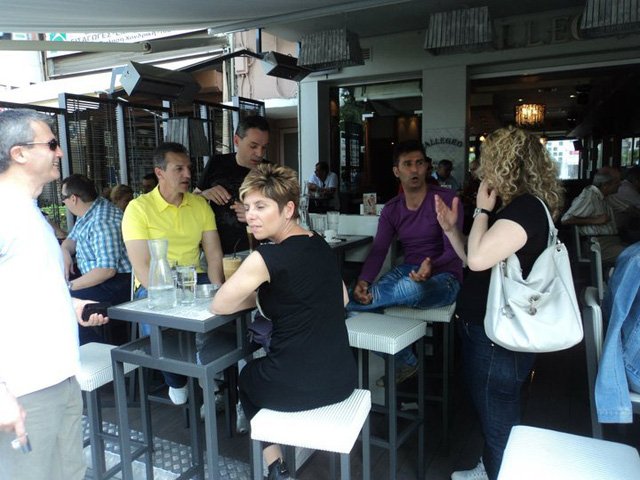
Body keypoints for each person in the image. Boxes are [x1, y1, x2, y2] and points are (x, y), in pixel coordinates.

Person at [211, 164, 357, 480]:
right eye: (248, 206)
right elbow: (343, 298)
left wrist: (260, 296)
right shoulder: (319, 243)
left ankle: (276, 467)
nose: (251, 215)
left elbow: (220, 303)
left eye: (261, 206)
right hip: (344, 377)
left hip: (297, 386)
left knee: (247, 377)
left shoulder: (265, 258)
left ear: (288, 209)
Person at [434, 126, 564, 480]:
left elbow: (477, 260)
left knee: (498, 414)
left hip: (498, 337)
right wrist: (451, 229)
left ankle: (499, 472)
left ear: (505, 163)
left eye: (486, 160)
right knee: (493, 409)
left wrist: (480, 209)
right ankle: (492, 466)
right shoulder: (515, 208)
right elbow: (473, 259)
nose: (480, 170)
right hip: (490, 330)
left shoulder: (525, 210)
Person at [0, 108, 108, 480]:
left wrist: (70, 305)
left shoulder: (28, 213)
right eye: (51, 144)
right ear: (19, 153)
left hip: (60, 378)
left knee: (69, 472)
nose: (60, 152)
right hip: (24, 390)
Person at [348, 140, 463, 384]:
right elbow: (379, 250)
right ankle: (406, 360)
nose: (414, 170)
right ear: (396, 171)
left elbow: (454, 251)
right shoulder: (392, 209)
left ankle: (348, 302)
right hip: (408, 272)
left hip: (445, 277)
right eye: (407, 164)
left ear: (427, 167)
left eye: (419, 163)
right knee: (354, 311)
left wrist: (431, 265)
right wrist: (364, 281)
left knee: (406, 289)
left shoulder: (445, 199)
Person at [122, 142, 225, 404]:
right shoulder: (138, 208)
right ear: (160, 173)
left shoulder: (199, 205)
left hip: (195, 278)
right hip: (155, 283)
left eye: (188, 168)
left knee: (224, 314)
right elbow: (142, 266)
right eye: (179, 169)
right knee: (162, 321)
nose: (188, 174)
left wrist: (219, 292)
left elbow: (214, 255)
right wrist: (171, 297)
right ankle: (177, 379)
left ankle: (205, 365)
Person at [60, 174, 132, 344]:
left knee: (63, 302)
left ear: (73, 199)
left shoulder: (102, 221)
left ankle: (93, 351)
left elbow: (106, 270)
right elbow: (71, 241)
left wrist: (66, 287)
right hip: (100, 280)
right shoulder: (88, 211)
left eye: (63, 199)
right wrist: (64, 251)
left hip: (118, 283)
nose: (63, 202)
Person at [195, 115, 270, 254]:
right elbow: (192, 200)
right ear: (236, 140)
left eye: (264, 147)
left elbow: (285, 217)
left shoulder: (271, 172)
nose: (259, 153)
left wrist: (254, 215)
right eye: (253, 146)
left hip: (259, 251)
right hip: (216, 251)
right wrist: (205, 194)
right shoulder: (216, 163)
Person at [561, 167, 626, 265]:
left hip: (611, 242)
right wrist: (596, 220)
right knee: (634, 256)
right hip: (599, 245)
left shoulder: (605, 197)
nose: (620, 184)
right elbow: (565, 220)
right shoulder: (590, 195)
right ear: (605, 185)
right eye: (617, 182)